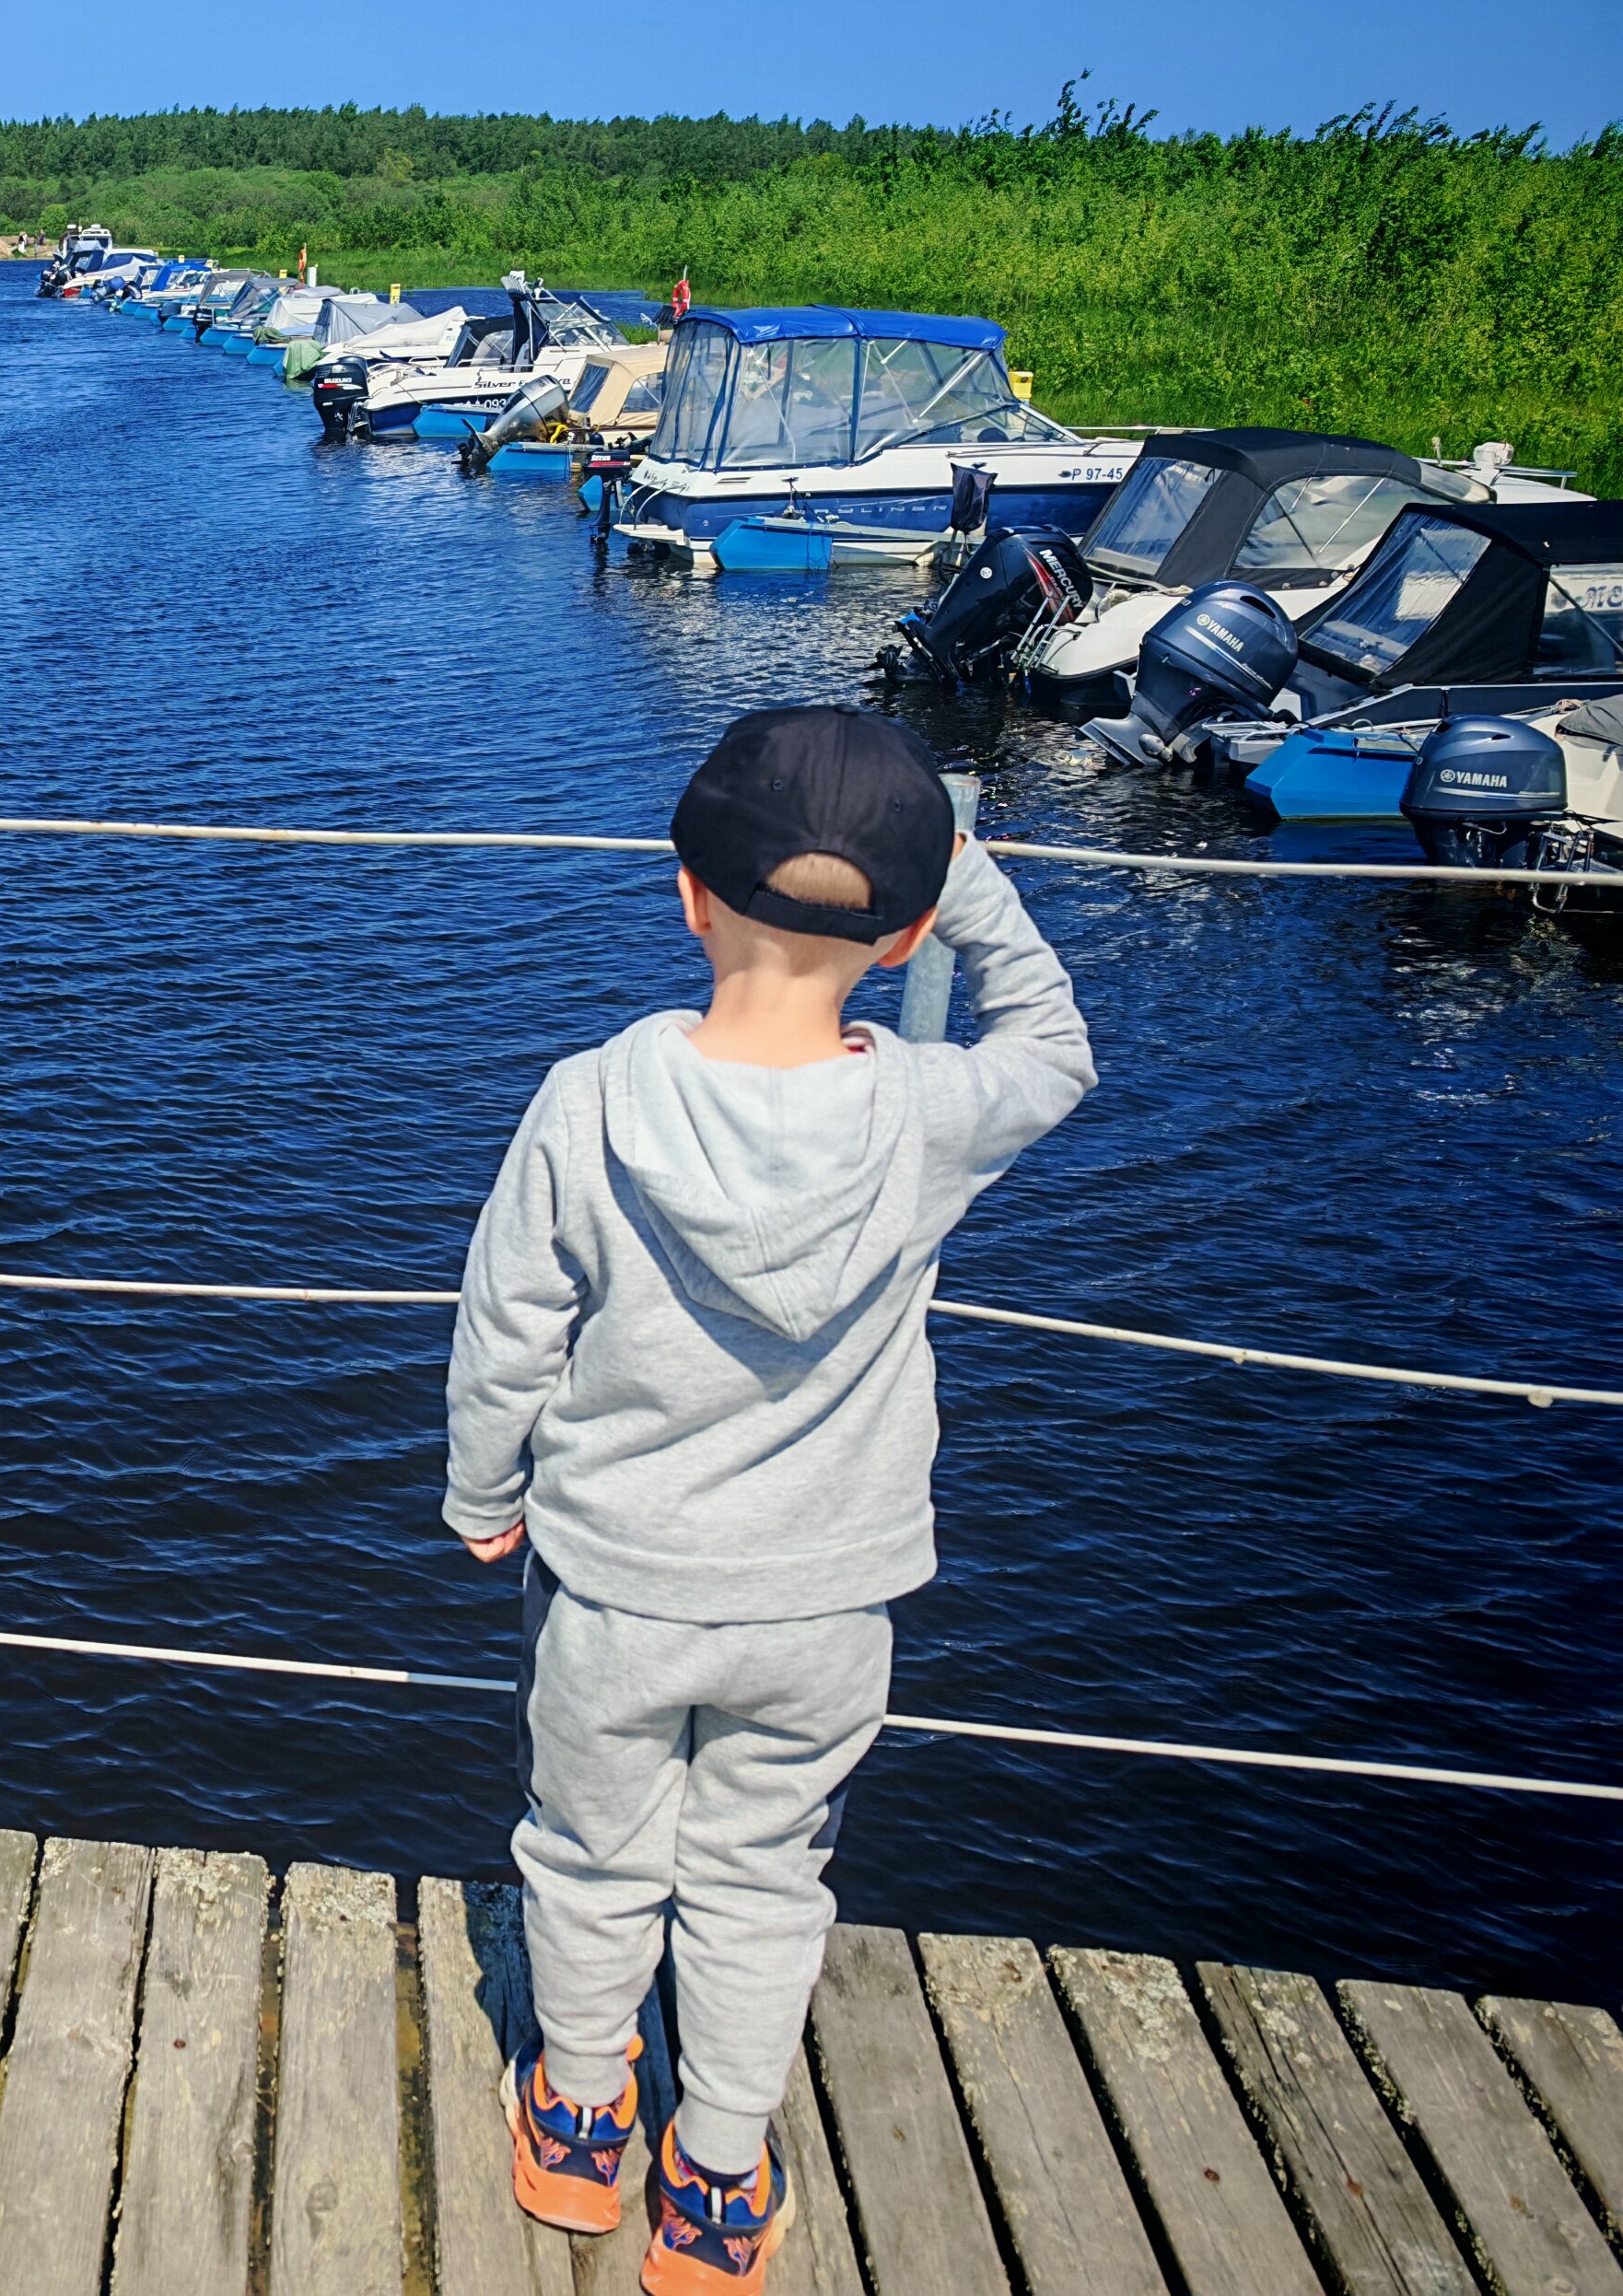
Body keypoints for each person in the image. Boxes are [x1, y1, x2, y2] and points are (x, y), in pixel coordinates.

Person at [444, 707, 1092, 2290]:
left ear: (687, 896)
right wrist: (968, 867)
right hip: (823, 1603)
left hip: (615, 1588)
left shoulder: (594, 1098)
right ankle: (717, 2178)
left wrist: (484, 1491)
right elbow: (1056, 1045)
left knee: (592, 1859)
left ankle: (580, 2122)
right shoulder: (931, 1114)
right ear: (907, 931)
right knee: (759, 1875)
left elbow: (506, 1321)